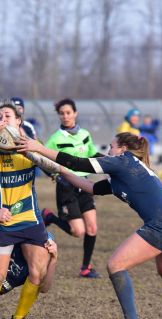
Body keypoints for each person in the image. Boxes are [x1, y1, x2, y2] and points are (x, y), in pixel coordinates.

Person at [18, 132, 162, 319]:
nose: (108, 150)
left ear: (122, 149)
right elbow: (90, 187)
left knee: (116, 265)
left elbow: (80, 163)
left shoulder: (123, 161)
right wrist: (60, 171)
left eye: (111, 146)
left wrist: (39, 148)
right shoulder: (127, 170)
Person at [0, 99, 60, 319]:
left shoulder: (30, 145)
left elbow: (53, 169)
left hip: (31, 220)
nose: (3, 120)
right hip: (4, 222)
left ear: (19, 121)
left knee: (36, 273)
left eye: (7, 116)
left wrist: (29, 151)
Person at [41, 98, 101, 278]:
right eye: (62, 113)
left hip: (85, 185)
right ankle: (49, 216)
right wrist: (54, 174)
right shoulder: (55, 139)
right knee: (78, 231)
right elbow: (42, 159)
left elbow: (92, 154)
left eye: (68, 112)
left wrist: (113, 163)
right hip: (66, 188)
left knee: (92, 229)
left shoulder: (85, 134)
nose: (65, 116)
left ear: (75, 113)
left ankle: (85, 268)